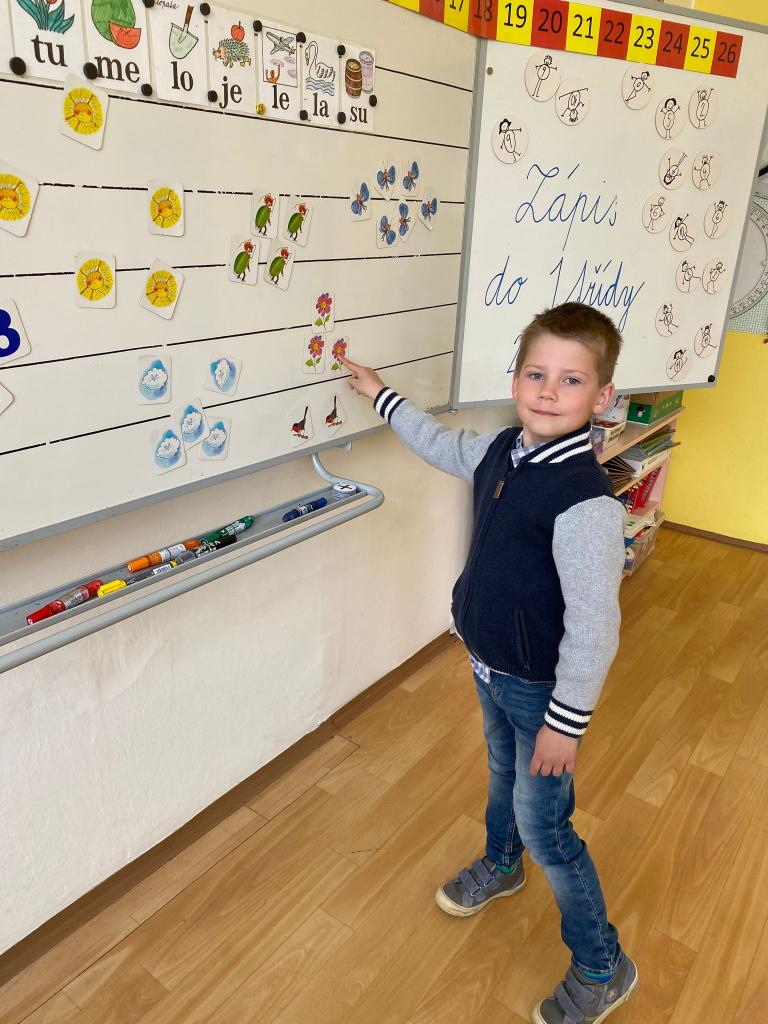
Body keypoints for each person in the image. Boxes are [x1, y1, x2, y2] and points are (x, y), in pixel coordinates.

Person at [340, 302, 638, 1024]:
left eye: (570, 380)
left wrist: (566, 725)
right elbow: (439, 443)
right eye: (536, 374)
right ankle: (503, 866)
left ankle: (603, 965)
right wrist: (380, 394)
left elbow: (596, 628)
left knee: (549, 830)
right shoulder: (502, 451)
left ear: (602, 397)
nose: (547, 391)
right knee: (501, 770)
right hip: (489, 668)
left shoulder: (586, 504)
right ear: (515, 379)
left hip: (542, 694)